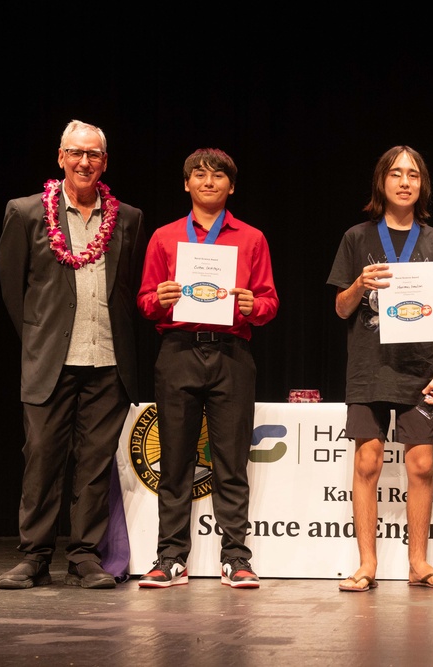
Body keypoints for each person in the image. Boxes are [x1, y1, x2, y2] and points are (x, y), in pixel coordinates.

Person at [0, 120, 145, 590]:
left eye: (95, 155)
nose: (85, 162)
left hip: (107, 358)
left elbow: (128, 289)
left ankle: (84, 556)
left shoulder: (128, 218)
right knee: (41, 458)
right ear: (60, 157)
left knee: (96, 463)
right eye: (76, 153)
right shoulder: (25, 213)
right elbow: (12, 288)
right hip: (49, 361)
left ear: (105, 162)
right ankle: (34, 556)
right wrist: (39, 337)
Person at [136, 148, 279, 589]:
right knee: (175, 461)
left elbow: (270, 302)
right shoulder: (163, 237)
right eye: (199, 175)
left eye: (218, 176)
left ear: (231, 186)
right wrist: (156, 300)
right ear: (186, 184)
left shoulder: (251, 238)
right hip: (178, 351)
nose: (209, 181)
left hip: (232, 354)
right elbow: (143, 301)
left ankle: (236, 557)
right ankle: (170, 558)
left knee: (231, 461)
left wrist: (256, 307)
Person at [327, 145, 433, 591]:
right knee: (367, 460)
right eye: (396, 174)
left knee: (421, 464)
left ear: (421, 185)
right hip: (368, 366)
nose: (405, 182)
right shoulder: (357, 237)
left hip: (420, 367)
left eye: (413, 175)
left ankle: (418, 563)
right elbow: (341, 308)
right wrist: (358, 285)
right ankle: (366, 564)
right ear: (381, 182)